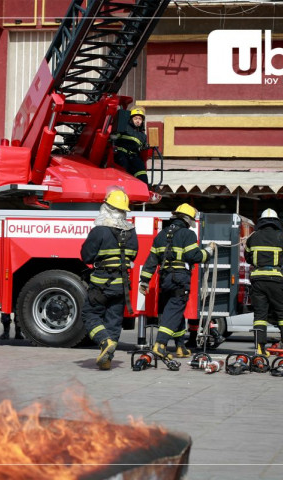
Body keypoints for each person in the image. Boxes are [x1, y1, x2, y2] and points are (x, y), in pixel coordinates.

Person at [139, 204, 215, 360]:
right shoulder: (187, 234)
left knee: (176, 313)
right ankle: (160, 344)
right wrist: (208, 251)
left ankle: (180, 346)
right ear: (187, 220)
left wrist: (144, 281)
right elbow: (194, 256)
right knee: (173, 311)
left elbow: (151, 260)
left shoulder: (161, 235)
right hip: (180, 278)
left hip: (165, 279)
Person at [80, 188, 138, 370]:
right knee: (114, 322)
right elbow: (133, 255)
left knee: (90, 315)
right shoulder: (131, 232)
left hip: (100, 285)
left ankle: (104, 342)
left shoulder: (99, 231)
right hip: (121, 287)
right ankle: (107, 359)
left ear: (107, 207)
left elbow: (86, 256)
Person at [245, 209, 283, 357]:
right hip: (275, 279)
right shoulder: (281, 236)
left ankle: (260, 348)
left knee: (260, 315)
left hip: (257, 280)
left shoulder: (252, 237)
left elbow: (248, 258)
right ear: (276, 222)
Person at [113, 106, 149, 184]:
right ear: (130, 119)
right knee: (123, 171)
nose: (138, 121)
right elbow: (114, 137)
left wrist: (146, 147)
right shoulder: (124, 128)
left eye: (140, 119)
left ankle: (144, 188)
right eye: (135, 118)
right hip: (121, 154)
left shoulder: (143, 136)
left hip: (134, 156)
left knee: (142, 171)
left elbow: (143, 149)